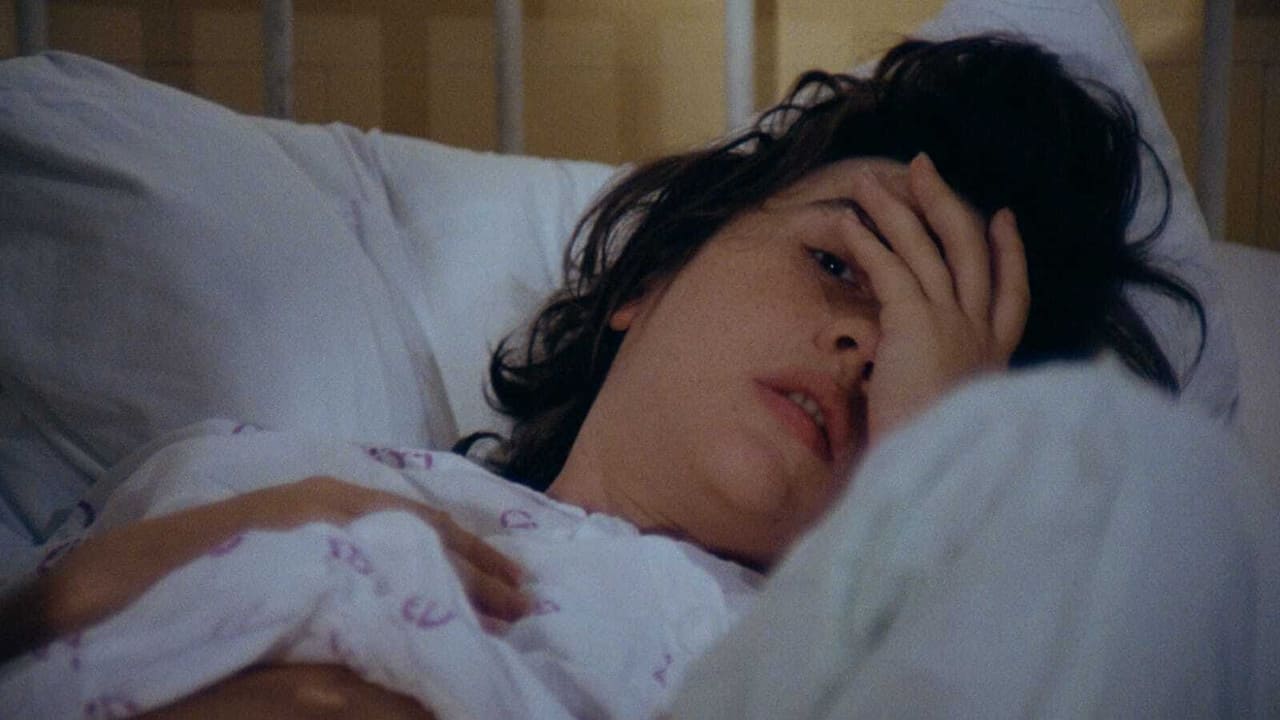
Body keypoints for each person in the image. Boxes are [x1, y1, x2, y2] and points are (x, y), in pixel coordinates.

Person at [0, 35, 1206, 718]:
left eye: (918, 355)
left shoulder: (844, 667)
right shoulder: (262, 468)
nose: (864, 348)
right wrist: (135, 571)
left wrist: (945, 485)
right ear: (651, 272)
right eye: (838, 265)